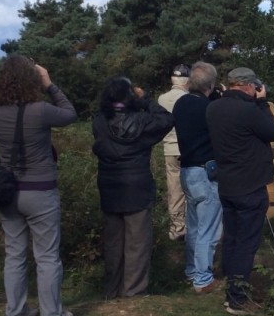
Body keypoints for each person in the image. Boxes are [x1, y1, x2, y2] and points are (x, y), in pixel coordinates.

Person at [0, 55, 77, 316]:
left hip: (8, 192)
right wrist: (50, 85)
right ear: (32, 79)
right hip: (40, 190)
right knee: (47, 256)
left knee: (14, 255)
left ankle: (15, 313)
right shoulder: (41, 110)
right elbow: (70, 113)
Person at [92, 77, 174, 299]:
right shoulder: (143, 121)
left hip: (109, 185)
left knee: (113, 242)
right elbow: (167, 119)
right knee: (137, 241)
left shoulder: (99, 121)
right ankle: (134, 290)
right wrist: (145, 99)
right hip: (137, 185)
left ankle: (112, 289)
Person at [206, 67, 274, 315]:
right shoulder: (249, 110)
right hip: (250, 185)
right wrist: (263, 102)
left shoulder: (213, 107)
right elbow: (272, 132)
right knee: (246, 243)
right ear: (249, 86)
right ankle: (237, 298)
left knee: (232, 238)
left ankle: (231, 288)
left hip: (227, 183)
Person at [173, 62, 223, 294]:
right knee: (208, 228)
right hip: (206, 172)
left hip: (188, 170)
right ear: (211, 85)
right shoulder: (210, 109)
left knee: (193, 226)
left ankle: (192, 270)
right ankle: (203, 279)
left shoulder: (181, 103)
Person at [157, 64, 191, 241]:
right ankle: (194, 226)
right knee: (192, 189)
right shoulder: (190, 99)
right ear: (188, 81)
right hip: (188, 148)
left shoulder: (161, 99)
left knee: (174, 189)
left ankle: (177, 229)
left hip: (169, 149)